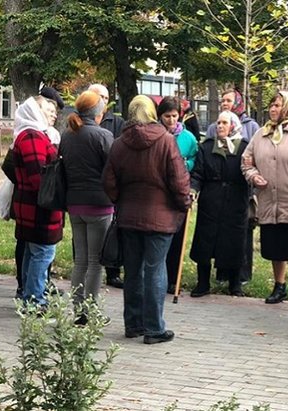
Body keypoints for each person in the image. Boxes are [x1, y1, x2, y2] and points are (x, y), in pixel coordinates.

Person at [102, 95, 190, 344]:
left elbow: (108, 181)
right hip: (160, 217)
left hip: (129, 217)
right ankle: (154, 329)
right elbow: (179, 179)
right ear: (152, 112)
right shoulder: (165, 141)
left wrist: (120, 200)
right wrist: (184, 204)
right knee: (155, 269)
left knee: (133, 271)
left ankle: (133, 324)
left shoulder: (119, 144)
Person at [242, 90, 288, 307]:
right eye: (271, 106)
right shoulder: (261, 134)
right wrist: (254, 176)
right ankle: (279, 285)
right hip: (268, 201)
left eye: (277, 105)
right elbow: (246, 161)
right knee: (274, 246)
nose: (273, 110)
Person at [59, 91, 114, 324]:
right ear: (98, 113)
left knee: (80, 260)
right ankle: (89, 312)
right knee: (95, 261)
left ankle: (77, 308)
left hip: (74, 203)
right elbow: (113, 169)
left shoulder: (67, 136)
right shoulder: (103, 136)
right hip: (99, 205)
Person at [190, 111, 250, 297]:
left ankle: (234, 284)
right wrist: (193, 189)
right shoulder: (207, 147)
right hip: (211, 200)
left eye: (224, 123)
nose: (220, 126)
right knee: (205, 241)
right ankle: (202, 283)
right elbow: (198, 173)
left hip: (235, 201)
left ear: (233, 125)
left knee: (233, 241)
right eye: (218, 123)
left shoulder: (244, 148)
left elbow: (250, 171)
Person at [12, 96, 64, 308]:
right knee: (43, 253)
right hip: (39, 206)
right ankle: (34, 300)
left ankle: (29, 294)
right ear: (34, 111)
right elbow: (38, 177)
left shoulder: (33, 134)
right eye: (47, 110)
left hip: (32, 206)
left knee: (33, 252)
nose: (52, 114)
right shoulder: (31, 137)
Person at [206, 88, 260, 285]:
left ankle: (242, 274)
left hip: (241, 189)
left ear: (237, 102)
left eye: (228, 100)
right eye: (223, 100)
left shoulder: (251, 126)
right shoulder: (214, 127)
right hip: (219, 192)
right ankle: (221, 272)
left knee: (242, 232)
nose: (225, 103)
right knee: (221, 232)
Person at [157, 96, 198, 295]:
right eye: (167, 116)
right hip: (160, 190)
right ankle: (159, 277)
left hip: (179, 190)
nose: (171, 121)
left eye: (174, 116)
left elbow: (195, 159)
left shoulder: (188, 138)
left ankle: (173, 278)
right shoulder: (156, 134)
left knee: (177, 236)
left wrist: (184, 164)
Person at [89, 84, 126, 289]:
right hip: (89, 184)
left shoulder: (116, 122)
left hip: (110, 183)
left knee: (112, 229)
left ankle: (113, 270)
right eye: (98, 96)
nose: (102, 100)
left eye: (105, 96)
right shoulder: (79, 122)